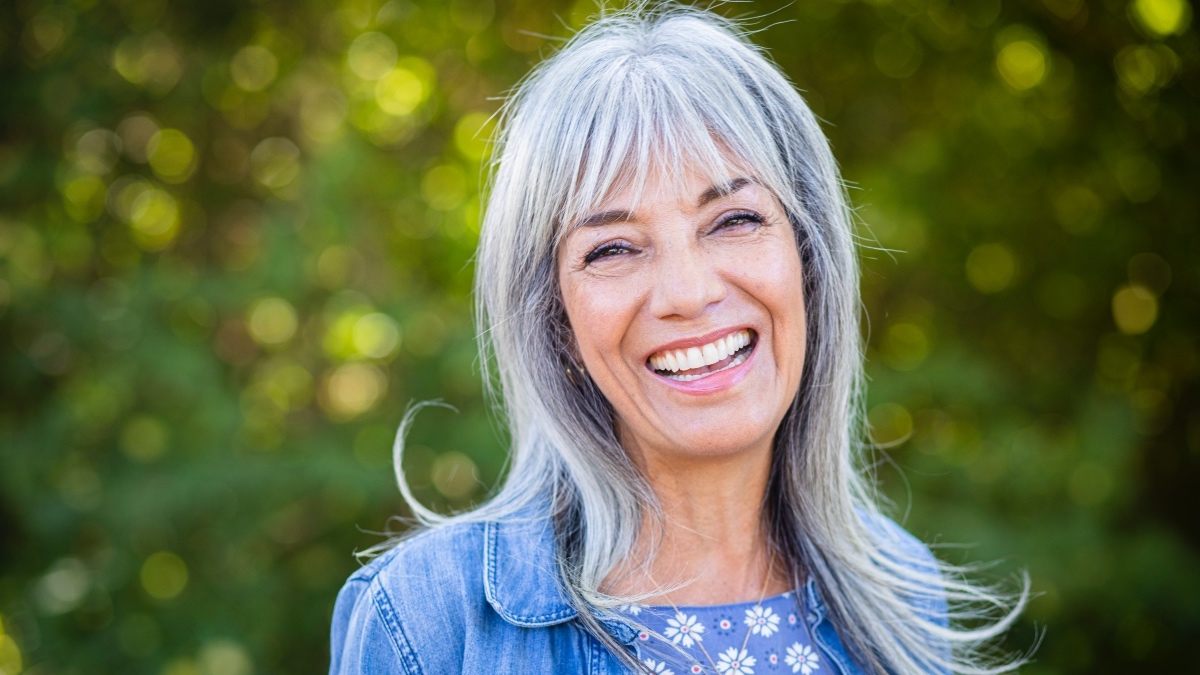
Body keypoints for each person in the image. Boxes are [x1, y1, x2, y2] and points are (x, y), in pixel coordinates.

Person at [329, 4, 1028, 674]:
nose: (689, 292)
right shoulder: (426, 622)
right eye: (613, 249)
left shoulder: (904, 589)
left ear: (808, 263)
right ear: (557, 322)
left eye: (734, 220)